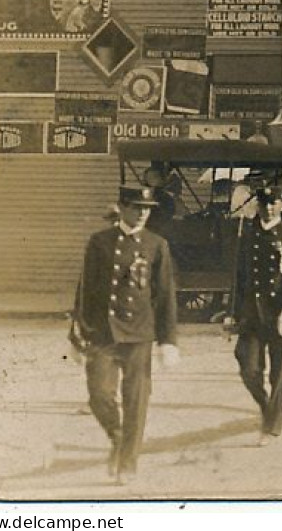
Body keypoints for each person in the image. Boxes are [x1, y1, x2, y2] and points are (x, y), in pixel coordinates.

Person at [69, 185, 180, 484]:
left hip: (139, 333)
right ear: (121, 207)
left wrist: (168, 341)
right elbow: (86, 290)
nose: (143, 213)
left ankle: (127, 462)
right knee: (99, 394)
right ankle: (118, 436)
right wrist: (78, 335)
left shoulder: (157, 244)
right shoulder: (99, 242)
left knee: (136, 400)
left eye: (147, 209)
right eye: (135, 207)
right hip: (104, 333)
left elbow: (165, 295)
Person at [225, 185, 282, 444]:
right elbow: (239, 278)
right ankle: (266, 408)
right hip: (252, 315)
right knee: (248, 365)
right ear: (257, 205)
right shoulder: (247, 236)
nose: (269, 208)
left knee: (280, 373)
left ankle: (272, 426)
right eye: (264, 203)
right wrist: (231, 313)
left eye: (274, 203)